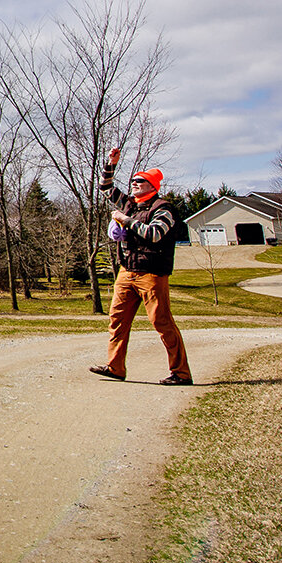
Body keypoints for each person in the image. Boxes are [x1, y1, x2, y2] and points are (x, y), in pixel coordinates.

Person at [89, 147, 192, 386]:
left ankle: (181, 373)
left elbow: (154, 234)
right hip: (127, 271)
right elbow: (105, 188)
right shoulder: (129, 203)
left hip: (152, 273)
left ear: (152, 186)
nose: (134, 184)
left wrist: (126, 221)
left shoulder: (163, 209)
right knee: (117, 319)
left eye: (141, 181)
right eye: (133, 181)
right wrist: (111, 163)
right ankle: (115, 367)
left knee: (162, 322)